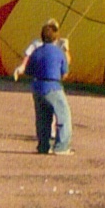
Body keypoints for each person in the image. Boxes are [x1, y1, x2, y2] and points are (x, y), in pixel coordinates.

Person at [12, 20, 72, 155]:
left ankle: (43, 146)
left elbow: (29, 71)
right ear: (56, 38)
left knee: (42, 119)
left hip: (37, 87)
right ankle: (61, 147)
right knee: (64, 116)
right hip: (53, 86)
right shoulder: (59, 52)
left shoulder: (36, 52)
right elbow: (65, 73)